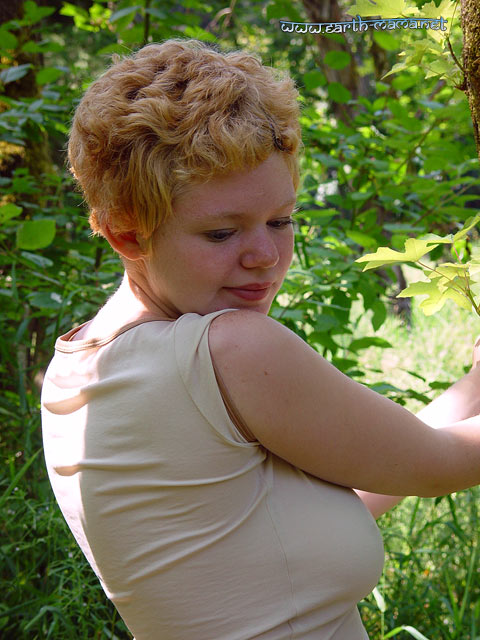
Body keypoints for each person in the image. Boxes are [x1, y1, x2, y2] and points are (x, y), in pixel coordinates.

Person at [41, 38, 480, 640]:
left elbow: (368, 476)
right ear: (125, 232)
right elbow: (438, 467)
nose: (266, 256)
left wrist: (473, 384)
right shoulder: (230, 349)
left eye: (281, 220)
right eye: (222, 233)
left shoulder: (77, 372)